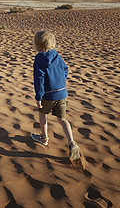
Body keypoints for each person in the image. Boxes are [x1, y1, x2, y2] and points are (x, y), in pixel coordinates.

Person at [31, 30, 82, 161]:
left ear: (37, 45)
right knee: (62, 119)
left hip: (47, 95)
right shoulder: (57, 55)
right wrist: (60, 82)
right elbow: (65, 69)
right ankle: (72, 142)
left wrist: (38, 97)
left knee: (42, 114)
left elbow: (40, 80)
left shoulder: (39, 59)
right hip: (62, 93)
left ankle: (44, 138)